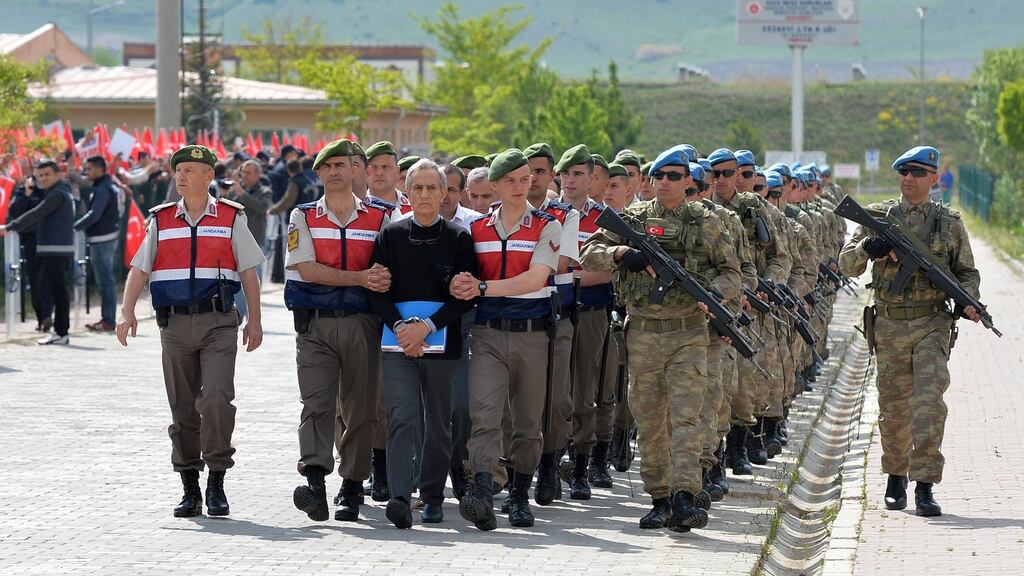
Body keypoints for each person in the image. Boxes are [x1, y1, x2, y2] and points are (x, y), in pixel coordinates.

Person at [581, 147, 740, 533]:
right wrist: (621, 253)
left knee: (686, 418)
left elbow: (733, 274)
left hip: (688, 333)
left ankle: (686, 495)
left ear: (689, 182)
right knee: (651, 421)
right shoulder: (632, 219)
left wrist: (713, 295)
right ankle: (660, 498)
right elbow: (588, 255)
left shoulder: (707, 223)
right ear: (651, 182)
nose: (666, 183)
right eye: (660, 176)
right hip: (643, 335)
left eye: (674, 176)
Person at [114, 145, 264, 518]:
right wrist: (126, 310)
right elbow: (139, 268)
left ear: (209, 176)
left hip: (218, 323)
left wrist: (256, 320)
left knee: (215, 399)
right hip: (174, 325)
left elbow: (248, 271)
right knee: (182, 410)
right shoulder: (161, 220)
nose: (180, 176)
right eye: (178, 170)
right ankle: (189, 486)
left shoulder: (231, 217)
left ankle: (216, 480)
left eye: (190, 170)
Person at [838, 146, 982, 518]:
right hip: (888, 323)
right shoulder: (877, 217)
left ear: (934, 178)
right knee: (894, 407)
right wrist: (870, 247)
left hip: (932, 322)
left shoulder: (948, 222)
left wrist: (969, 301)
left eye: (918, 173)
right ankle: (895, 476)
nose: (909, 179)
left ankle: (925, 485)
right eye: (904, 172)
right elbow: (846, 265)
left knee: (929, 404)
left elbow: (967, 273)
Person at [450, 148, 561, 531]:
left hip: (533, 335)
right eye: (510, 180)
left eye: (525, 178)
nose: (519, 186)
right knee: (485, 416)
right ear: (494, 185)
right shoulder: (475, 229)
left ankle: (519, 494)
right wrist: (465, 284)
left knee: (528, 423)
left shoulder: (547, 225)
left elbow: (536, 278)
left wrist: (482, 286)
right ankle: (483, 488)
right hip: (487, 334)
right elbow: (460, 277)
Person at [284, 138, 392, 523]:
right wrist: (361, 278)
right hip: (315, 325)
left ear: (355, 170)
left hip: (364, 326)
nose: (333, 172)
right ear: (318, 174)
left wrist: (371, 281)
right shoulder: (303, 216)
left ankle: (351, 487)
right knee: (316, 404)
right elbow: (306, 269)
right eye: (326, 167)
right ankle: (314, 482)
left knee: (361, 408)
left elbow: (389, 272)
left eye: (340, 166)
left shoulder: (381, 217)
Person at [368, 158, 477, 528]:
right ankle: (400, 496)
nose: (426, 194)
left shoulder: (459, 238)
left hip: (442, 343)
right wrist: (402, 328)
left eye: (434, 188)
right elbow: (377, 290)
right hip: (397, 342)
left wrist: (426, 328)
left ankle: (431, 495)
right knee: (402, 417)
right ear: (408, 192)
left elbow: (466, 295)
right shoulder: (391, 236)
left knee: (438, 422)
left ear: (445, 193)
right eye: (418, 187)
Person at [0, 159, 75, 345]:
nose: (43, 178)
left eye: (47, 174)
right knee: (57, 291)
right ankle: (60, 331)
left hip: (55, 249)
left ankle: (61, 332)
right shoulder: (58, 192)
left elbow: (37, 213)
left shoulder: (57, 194)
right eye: (40, 175)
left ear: (58, 174)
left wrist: (9, 227)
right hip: (55, 249)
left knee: (58, 292)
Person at [73, 155, 123, 332]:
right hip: (106, 238)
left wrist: (75, 227)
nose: (86, 172)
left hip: (103, 240)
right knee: (106, 281)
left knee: (105, 281)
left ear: (101, 169)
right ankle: (108, 319)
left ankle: (108, 321)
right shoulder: (108, 185)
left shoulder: (103, 188)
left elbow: (95, 214)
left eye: (90, 168)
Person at [5, 176, 55, 332]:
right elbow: (14, 212)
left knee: (48, 280)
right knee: (36, 282)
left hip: (50, 241)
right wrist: (26, 194)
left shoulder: (51, 192)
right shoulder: (23, 191)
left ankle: (47, 315)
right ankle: (42, 318)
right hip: (31, 242)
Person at [225, 160, 273, 318]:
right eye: (243, 172)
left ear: (258, 175)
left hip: (256, 241)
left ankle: (253, 312)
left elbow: (261, 207)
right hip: (236, 242)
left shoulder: (265, 191)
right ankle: (240, 314)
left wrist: (243, 195)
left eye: (249, 173)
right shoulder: (235, 191)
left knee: (254, 279)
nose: (245, 176)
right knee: (238, 280)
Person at [366, 141, 413, 214]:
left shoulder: (413, 207)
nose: (379, 173)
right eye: (374, 167)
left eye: (385, 167)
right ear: (366, 171)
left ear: (397, 171)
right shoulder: (355, 209)